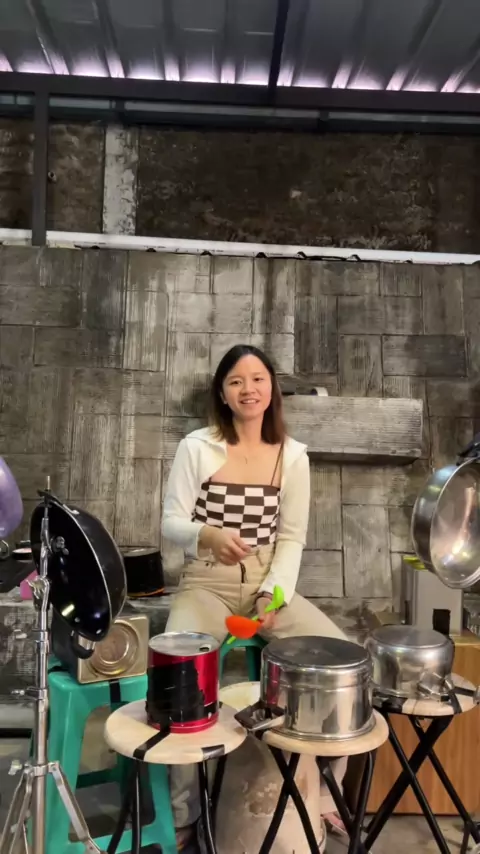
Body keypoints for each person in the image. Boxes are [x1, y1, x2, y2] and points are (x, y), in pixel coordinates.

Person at [162, 344, 348, 850]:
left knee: (343, 664)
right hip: (207, 583)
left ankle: (324, 794)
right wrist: (207, 535)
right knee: (180, 674)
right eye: (237, 381)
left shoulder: (293, 456)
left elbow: (291, 538)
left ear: (272, 389)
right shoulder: (197, 447)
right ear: (223, 394)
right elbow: (172, 522)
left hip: (271, 584)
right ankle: (184, 812)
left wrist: (273, 594)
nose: (249, 389)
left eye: (259, 378)